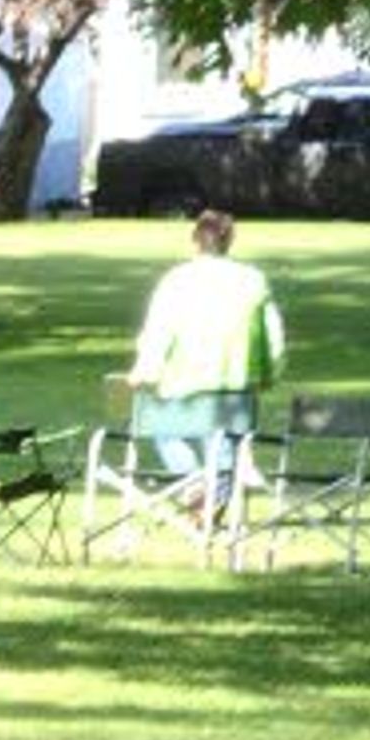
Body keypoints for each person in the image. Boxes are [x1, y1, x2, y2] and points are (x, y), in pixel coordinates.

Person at [126, 203, 284, 525]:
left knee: (159, 427)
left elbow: (159, 331)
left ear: (196, 241)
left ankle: (192, 480)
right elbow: (274, 339)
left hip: (182, 386)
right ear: (229, 242)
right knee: (226, 446)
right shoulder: (253, 280)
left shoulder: (176, 280)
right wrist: (269, 375)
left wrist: (143, 370)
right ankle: (213, 499)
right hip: (235, 388)